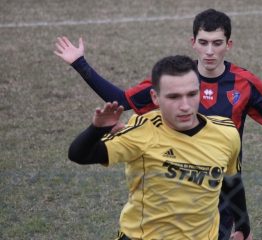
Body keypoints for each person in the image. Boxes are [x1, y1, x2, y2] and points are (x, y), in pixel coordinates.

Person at [55, 9, 262, 240]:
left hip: (217, 187)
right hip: (167, 189)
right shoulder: (173, 79)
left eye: (217, 43)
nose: (210, 51)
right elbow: (121, 101)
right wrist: (81, 65)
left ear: (229, 44)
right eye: (204, 42)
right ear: (193, 43)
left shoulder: (244, 85)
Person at [68, 55, 242, 240]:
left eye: (191, 94)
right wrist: (96, 129)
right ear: (155, 97)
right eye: (173, 97)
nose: (185, 106)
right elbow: (79, 155)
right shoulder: (142, 132)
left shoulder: (226, 133)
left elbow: (232, 182)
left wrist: (243, 226)